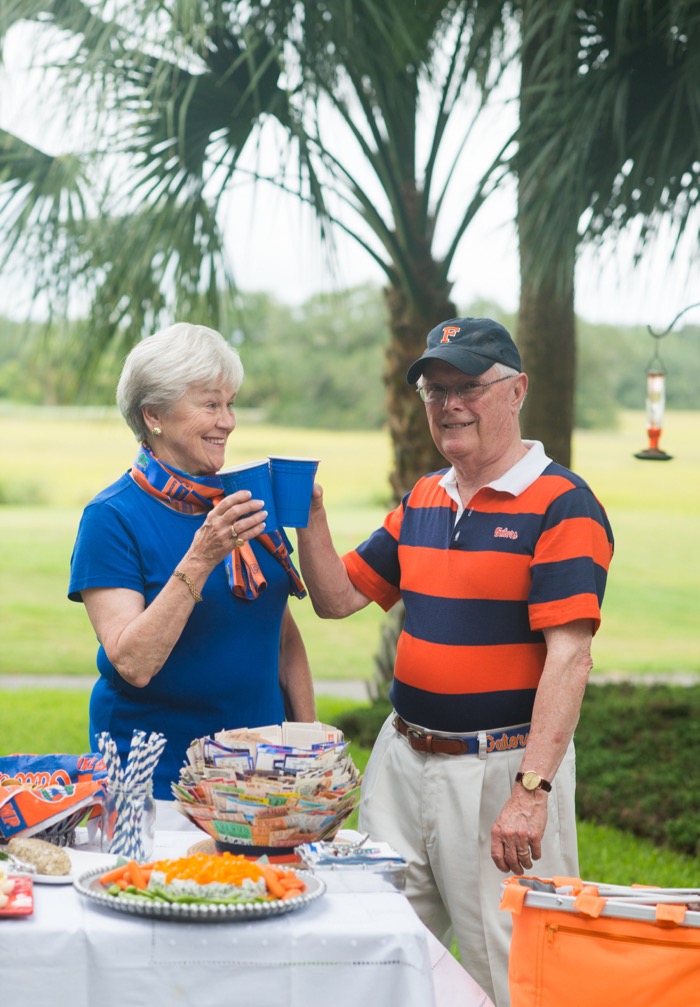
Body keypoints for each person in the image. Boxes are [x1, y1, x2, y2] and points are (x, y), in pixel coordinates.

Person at [296, 316, 614, 1007]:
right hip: (402, 764)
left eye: (467, 385)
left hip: (501, 775)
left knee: (519, 971)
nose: (448, 404)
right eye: (434, 390)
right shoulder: (423, 499)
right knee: (375, 957)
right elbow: (337, 596)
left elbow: (570, 656)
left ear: (517, 390)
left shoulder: (564, 504)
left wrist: (531, 792)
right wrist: (309, 515)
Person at [68, 322, 315, 799]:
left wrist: (310, 749)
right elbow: (133, 662)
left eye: (230, 403)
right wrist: (202, 556)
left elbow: (280, 636)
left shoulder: (245, 500)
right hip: (157, 780)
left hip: (262, 770)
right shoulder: (111, 517)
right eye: (210, 404)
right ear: (154, 415)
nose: (228, 421)